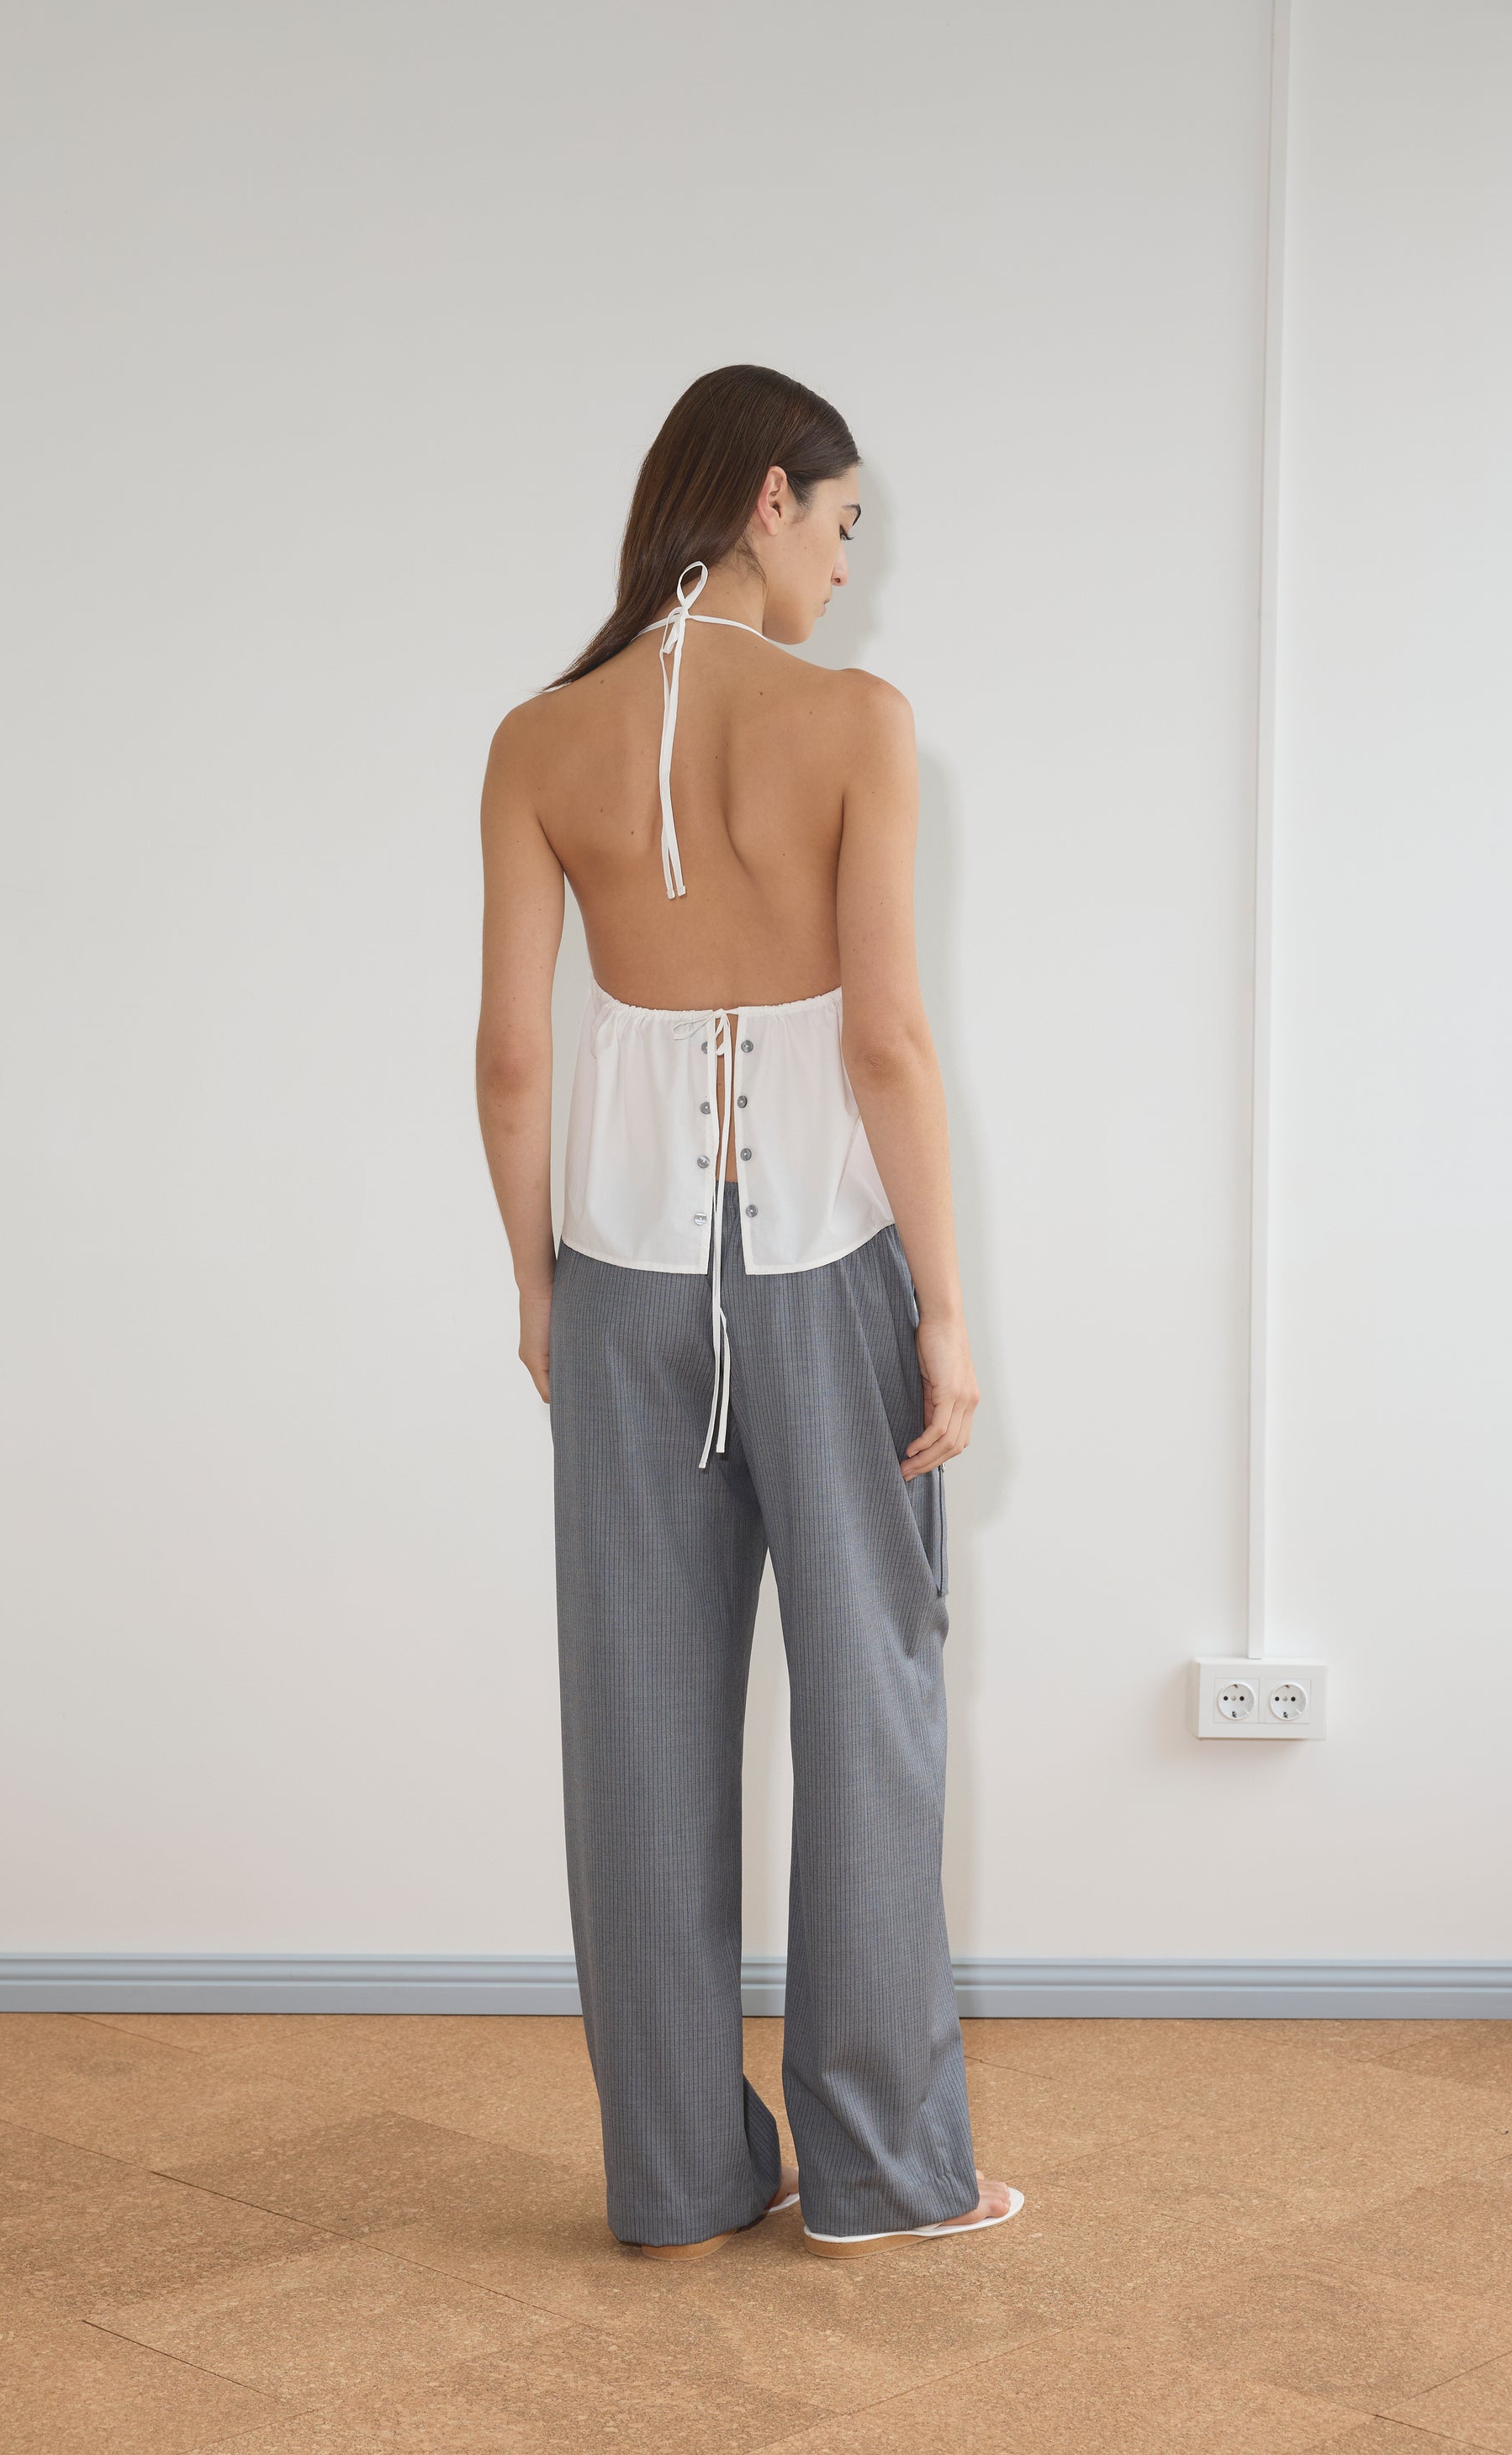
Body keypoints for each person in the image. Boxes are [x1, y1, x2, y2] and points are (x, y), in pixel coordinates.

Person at [475, 363, 1022, 2259]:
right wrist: (945, 1311)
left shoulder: (539, 738)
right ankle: (877, 2173)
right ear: (768, 499)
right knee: (869, 1705)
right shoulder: (857, 726)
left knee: (634, 1720)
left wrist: (535, 1285)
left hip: (622, 1283)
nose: (847, 571)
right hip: (825, 1282)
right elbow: (883, 1036)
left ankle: (685, 2177)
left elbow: (512, 1061)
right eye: (843, 523)